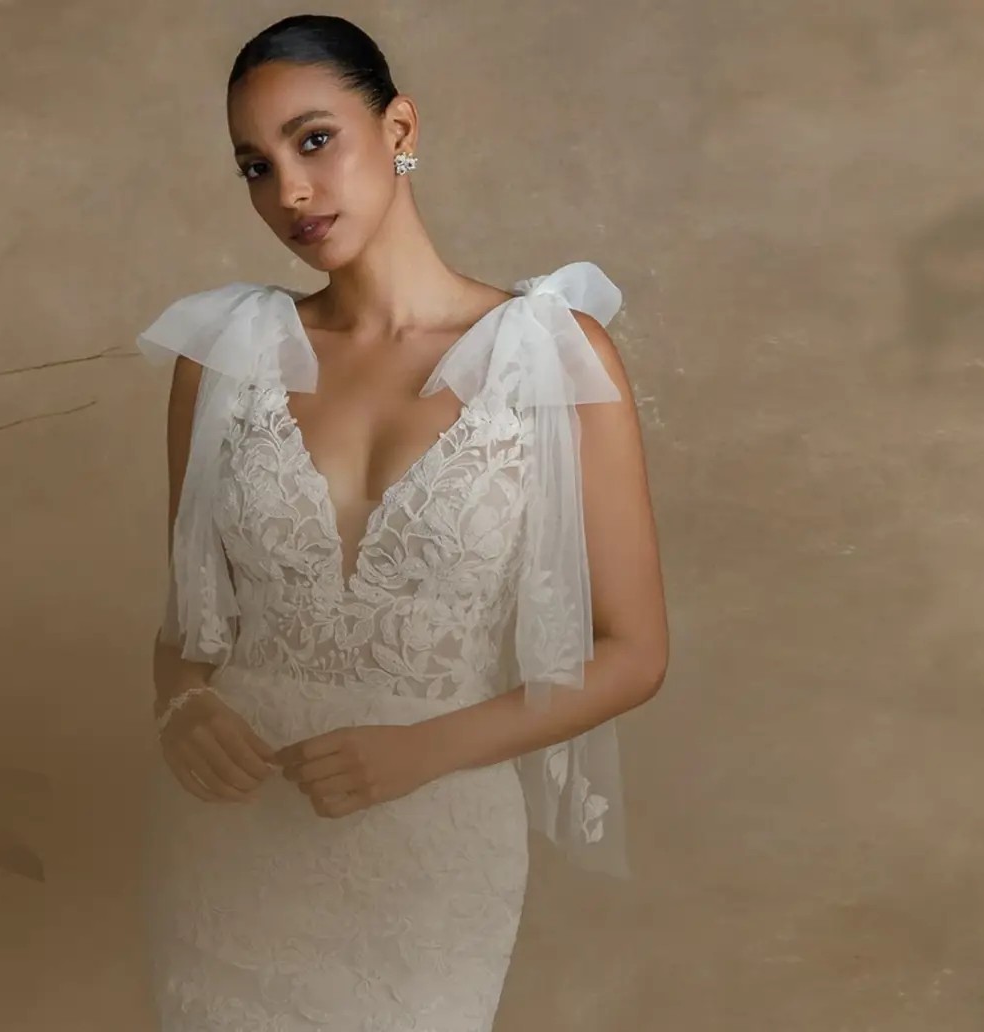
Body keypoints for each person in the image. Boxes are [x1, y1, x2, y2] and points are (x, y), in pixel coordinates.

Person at [131, 14, 669, 1030]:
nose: (287, 189)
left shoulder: (552, 353)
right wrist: (182, 710)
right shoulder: (226, 355)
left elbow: (634, 652)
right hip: (227, 842)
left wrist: (423, 750)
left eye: (314, 140)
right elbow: (183, 630)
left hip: (429, 845)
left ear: (399, 125)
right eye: (254, 164)